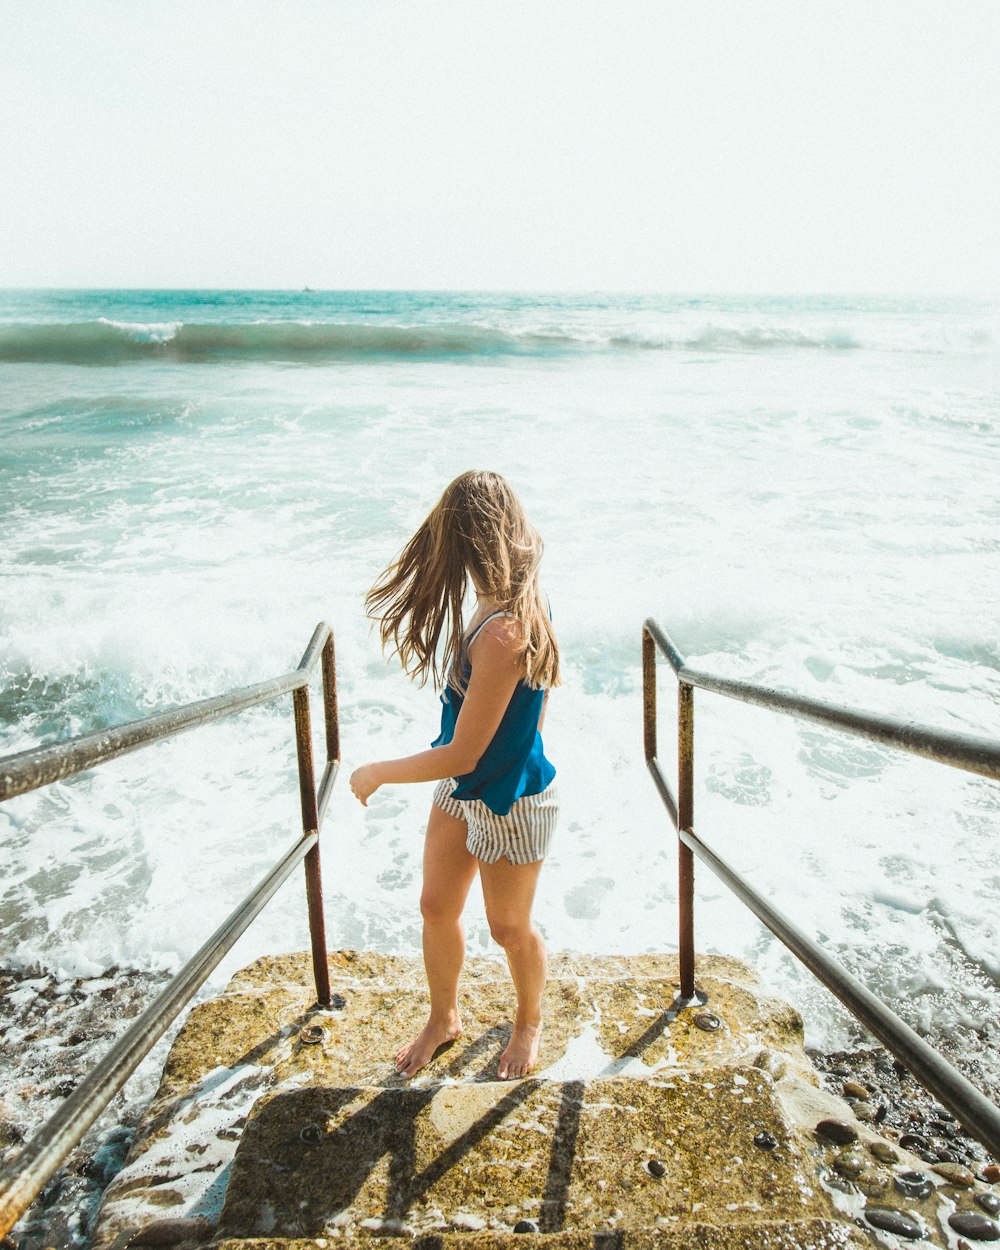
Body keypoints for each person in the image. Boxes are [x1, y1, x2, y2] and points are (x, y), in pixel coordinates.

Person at [349, 470, 559, 1081]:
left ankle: (528, 1023)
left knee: (509, 928)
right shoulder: (499, 596)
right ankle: (444, 1017)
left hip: (512, 799)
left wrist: (378, 773)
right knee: (436, 905)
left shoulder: (504, 630)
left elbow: (465, 754)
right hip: (463, 788)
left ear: (468, 542)